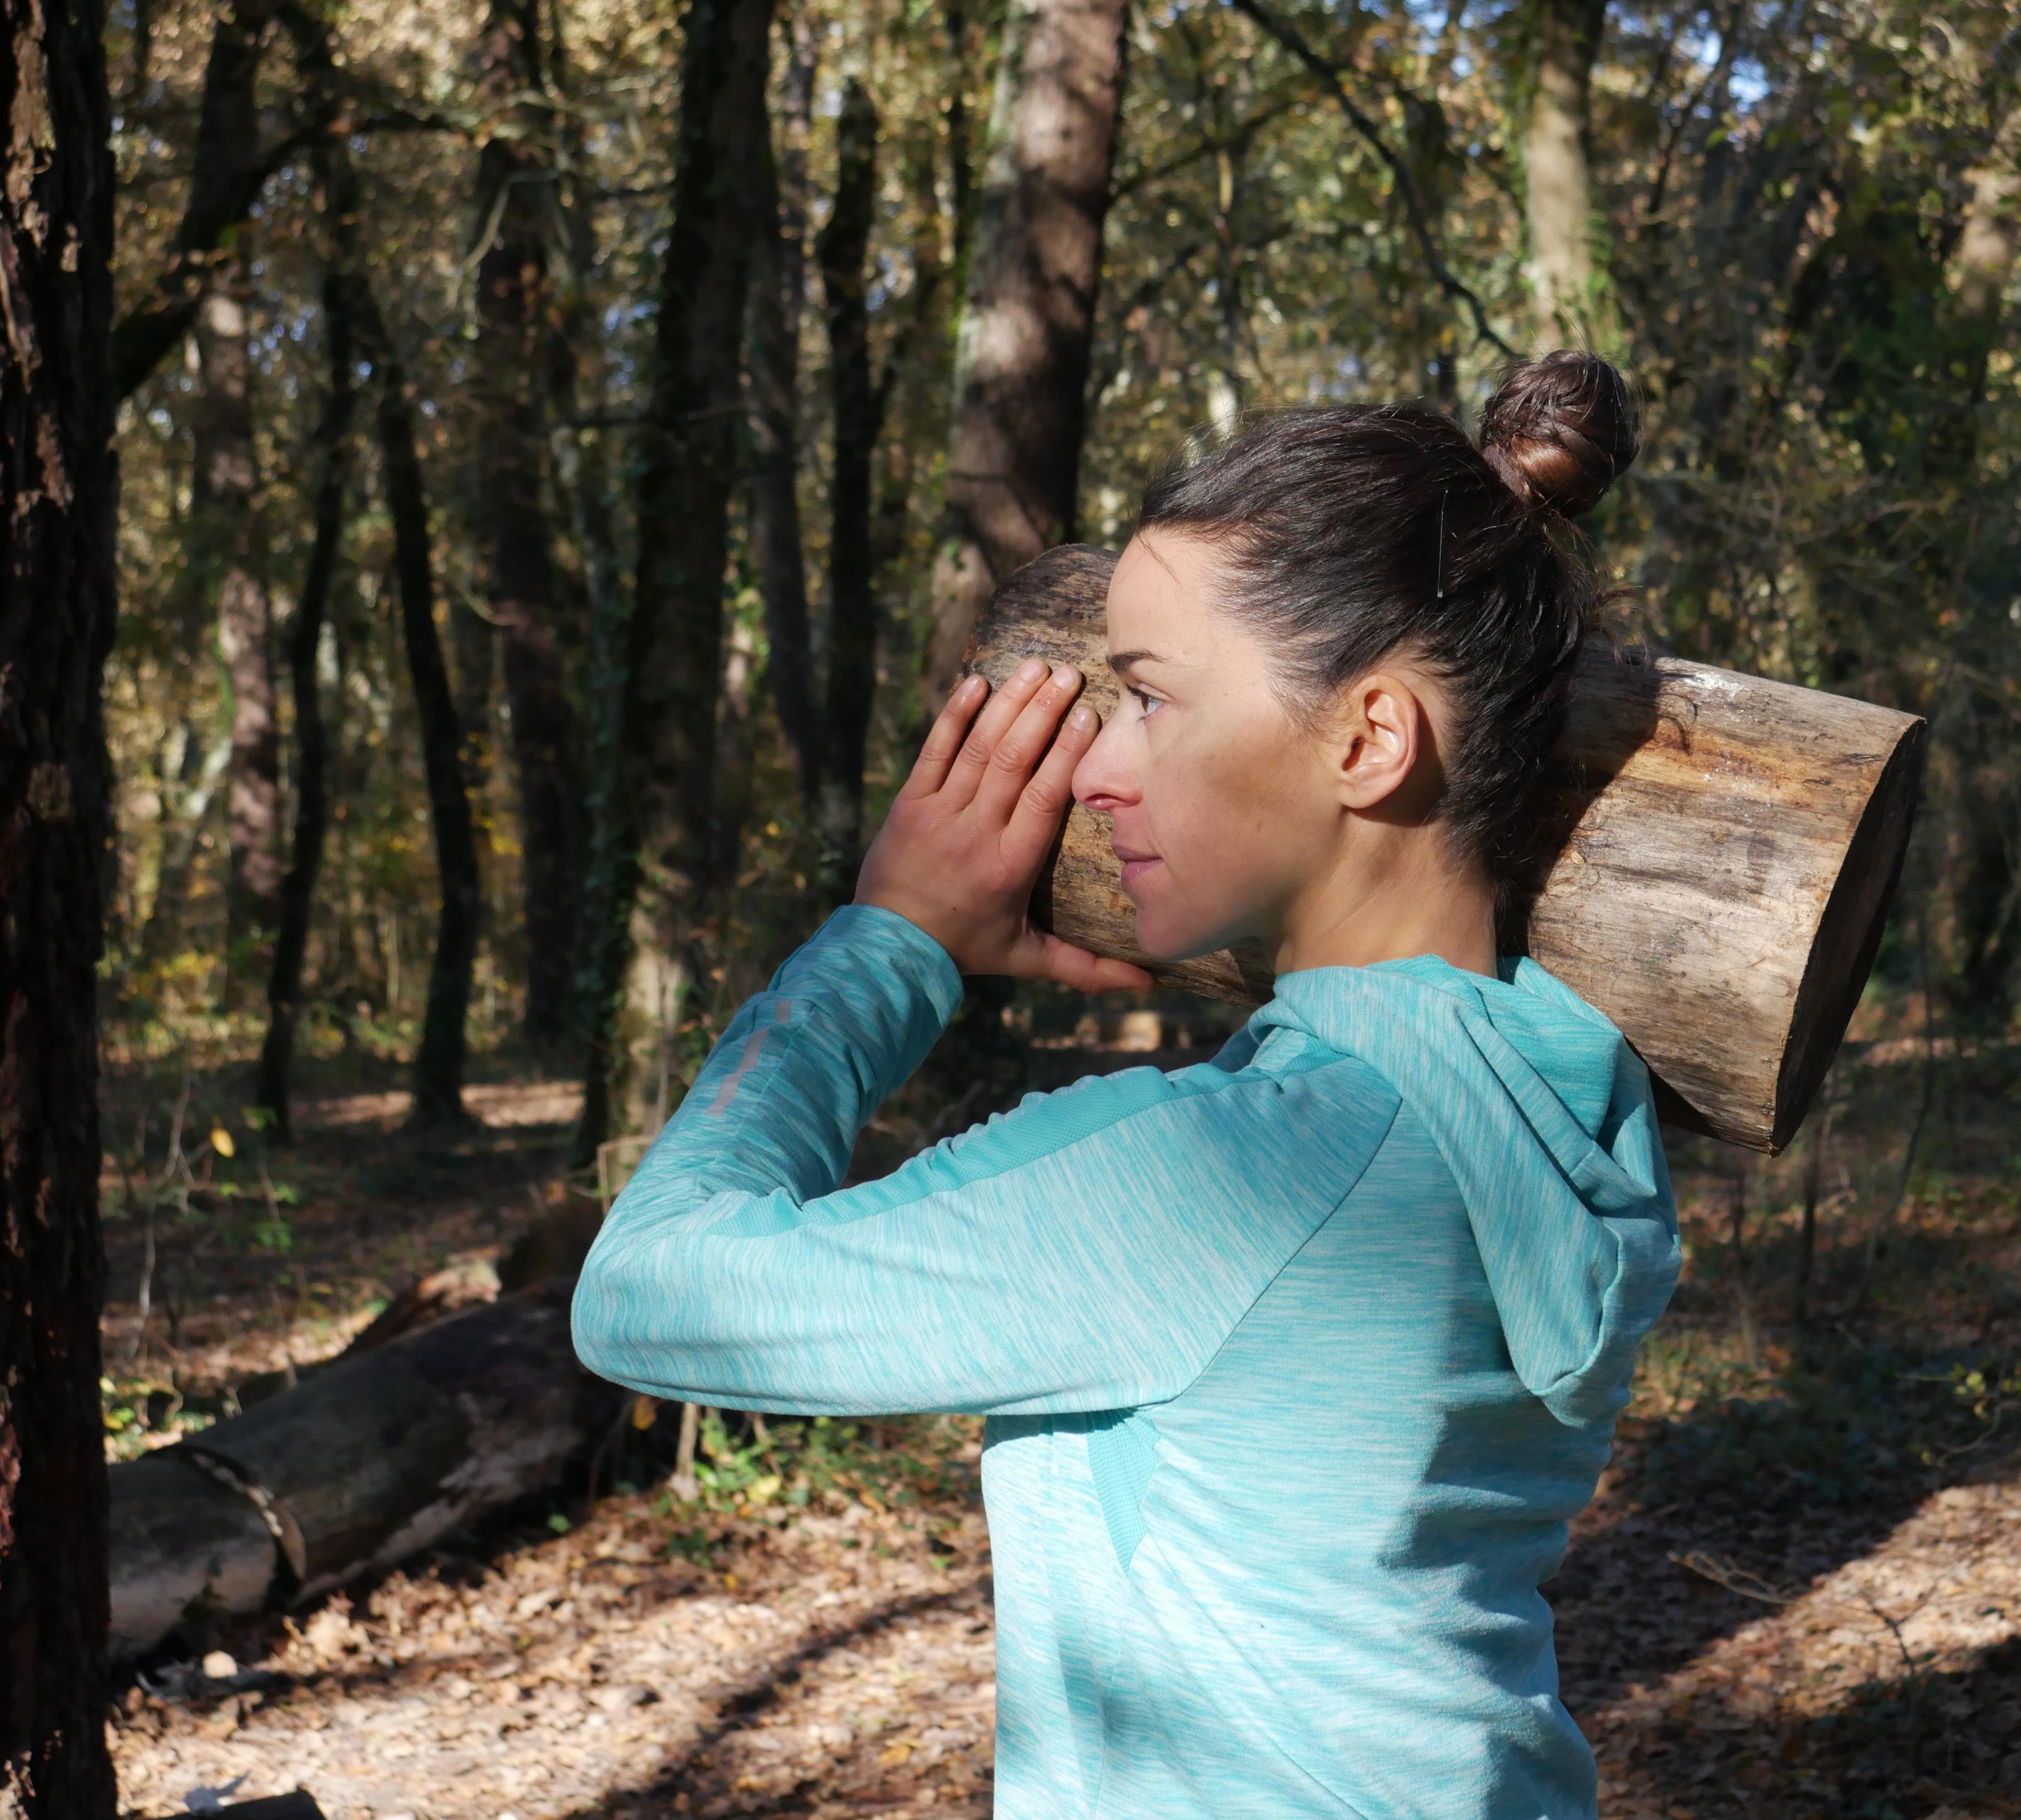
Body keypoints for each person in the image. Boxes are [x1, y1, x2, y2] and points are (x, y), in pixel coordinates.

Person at [571, 350, 1682, 1820]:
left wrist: (892, 944)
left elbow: (644, 1288)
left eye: (1150, 699)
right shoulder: (1550, 1108)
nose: (1097, 761)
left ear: (1369, 739)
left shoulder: (1226, 1181)